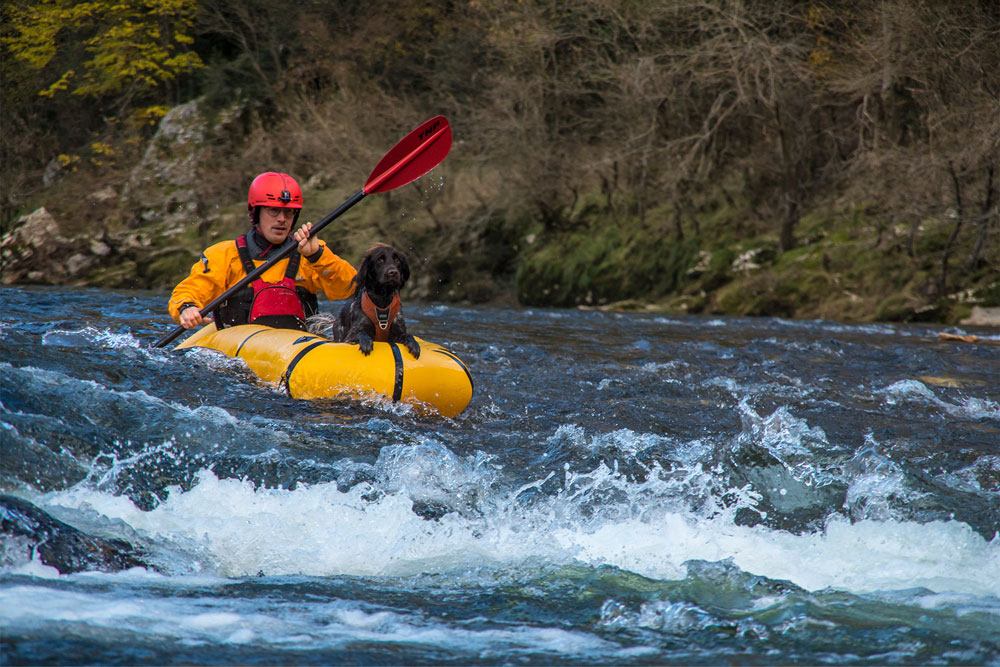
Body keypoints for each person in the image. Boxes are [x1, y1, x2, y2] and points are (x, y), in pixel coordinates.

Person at [168, 171, 357, 331]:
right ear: (256, 213)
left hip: (297, 348)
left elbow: (349, 289)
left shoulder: (310, 252)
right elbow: (189, 291)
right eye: (273, 211)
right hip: (239, 352)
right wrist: (187, 308)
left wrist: (317, 255)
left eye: (289, 212)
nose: (282, 219)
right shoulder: (224, 254)